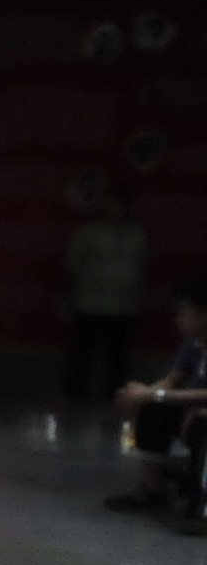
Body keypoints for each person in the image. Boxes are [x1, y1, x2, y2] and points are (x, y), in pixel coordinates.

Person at [108, 272, 207, 536]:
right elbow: (172, 380)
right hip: (195, 411)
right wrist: (141, 394)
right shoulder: (194, 343)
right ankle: (155, 488)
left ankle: (200, 507)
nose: (178, 318)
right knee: (151, 410)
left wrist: (156, 395)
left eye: (184, 311)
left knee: (201, 423)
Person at [65, 191, 150, 405]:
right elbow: (73, 266)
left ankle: (114, 397)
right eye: (111, 205)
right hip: (90, 303)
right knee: (82, 354)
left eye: (119, 205)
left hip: (124, 304)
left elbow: (144, 267)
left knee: (118, 357)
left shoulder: (137, 235)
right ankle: (75, 396)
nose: (115, 210)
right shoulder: (89, 233)